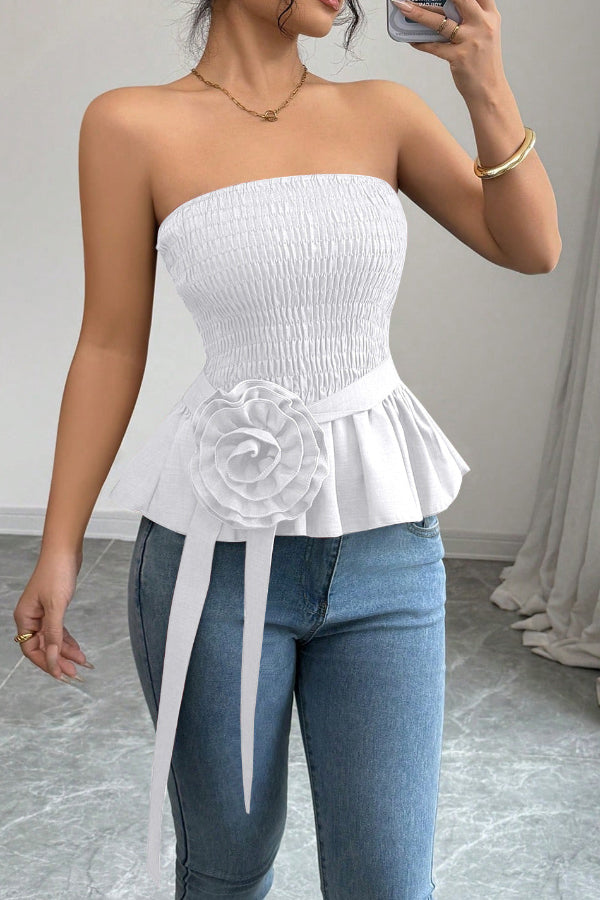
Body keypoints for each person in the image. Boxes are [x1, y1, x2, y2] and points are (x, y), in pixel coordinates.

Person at [13, 0, 561, 897]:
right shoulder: (128, 124)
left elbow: (532, 246)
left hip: (386, 552)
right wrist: (60, 547)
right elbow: (110, 343)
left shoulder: (384, 112)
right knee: (227, 870)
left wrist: (485, 83)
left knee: (388, 882)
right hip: (212, 562)